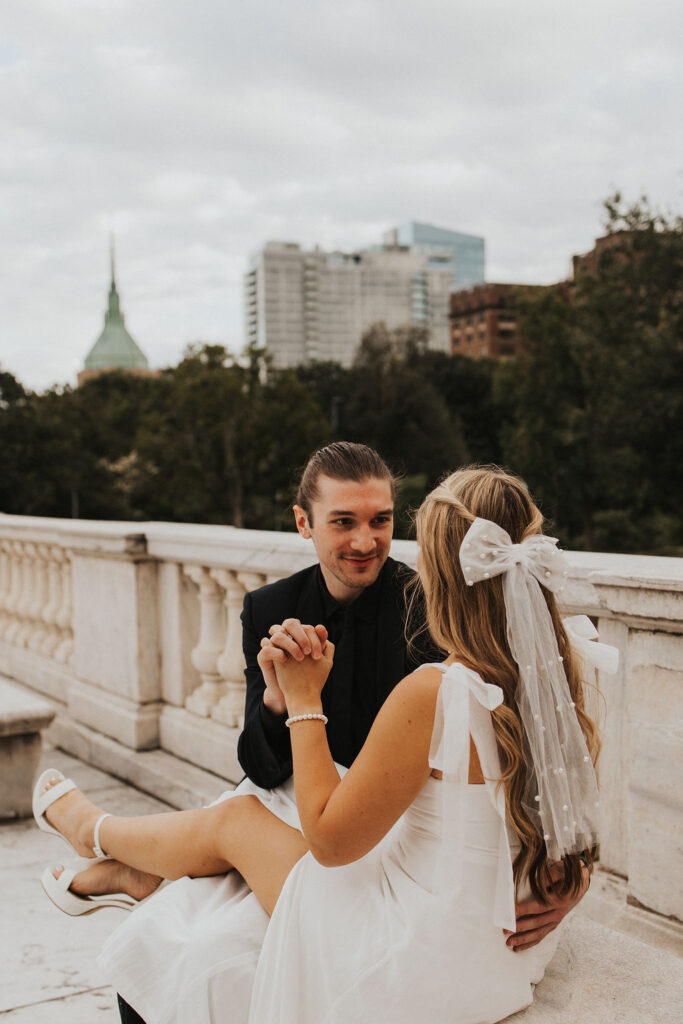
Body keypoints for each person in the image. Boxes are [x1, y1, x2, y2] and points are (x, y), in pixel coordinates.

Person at [33, 465, 606, 1024]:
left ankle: (97, 833)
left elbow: (331, 844)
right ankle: (131, 864)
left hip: (419, 950)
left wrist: (305, 698)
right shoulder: (567, 661)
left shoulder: (436, 691)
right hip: (500, 940)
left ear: (440, 573)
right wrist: (572, 877)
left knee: (235, 821)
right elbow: (577, 802)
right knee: (241, 825)